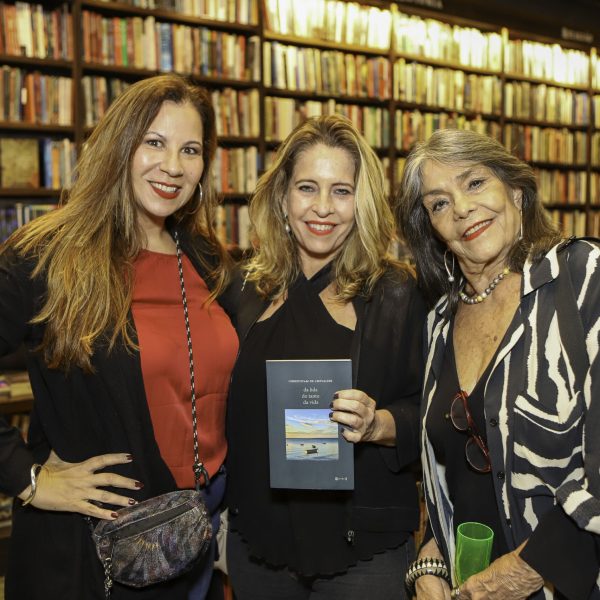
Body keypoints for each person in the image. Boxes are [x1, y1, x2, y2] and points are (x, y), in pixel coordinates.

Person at [0, 74, 238, 599]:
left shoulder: (205, 258)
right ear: (120, 144)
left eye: (190, 149)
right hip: (97, 552)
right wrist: (26, 478)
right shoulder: (48, 255)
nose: (172, 166)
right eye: (154, 142)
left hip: (196, 535)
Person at [224, 114, 427, 599]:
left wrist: (379, 423)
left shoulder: (397, 294)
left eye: (341, 191)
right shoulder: (244, 289)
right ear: (283, 197)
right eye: (307, 187)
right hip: (258, 545)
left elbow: (439, 413)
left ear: (363, 201)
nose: (322, 208)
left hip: (362, 550)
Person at [397, 128, 600, 600]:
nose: (462, 209)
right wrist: (429, 558)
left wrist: (524, 570)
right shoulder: (438, 324)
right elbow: (446, 478)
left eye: (474, 183)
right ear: (430, 227)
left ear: (514, 189)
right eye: (439, 203)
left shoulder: (582, 278)